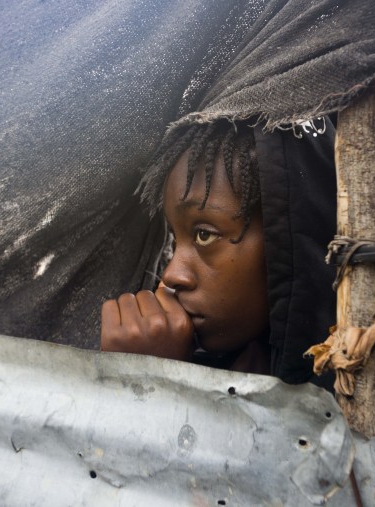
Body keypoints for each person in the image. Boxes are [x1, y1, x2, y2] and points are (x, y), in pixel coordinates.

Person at [101, 119, 337, 384]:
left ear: (285, 236)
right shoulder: (216, 357)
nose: (170, 275)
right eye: (174, 240)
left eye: (204, 234)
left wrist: (155, 381)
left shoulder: (351, 389)